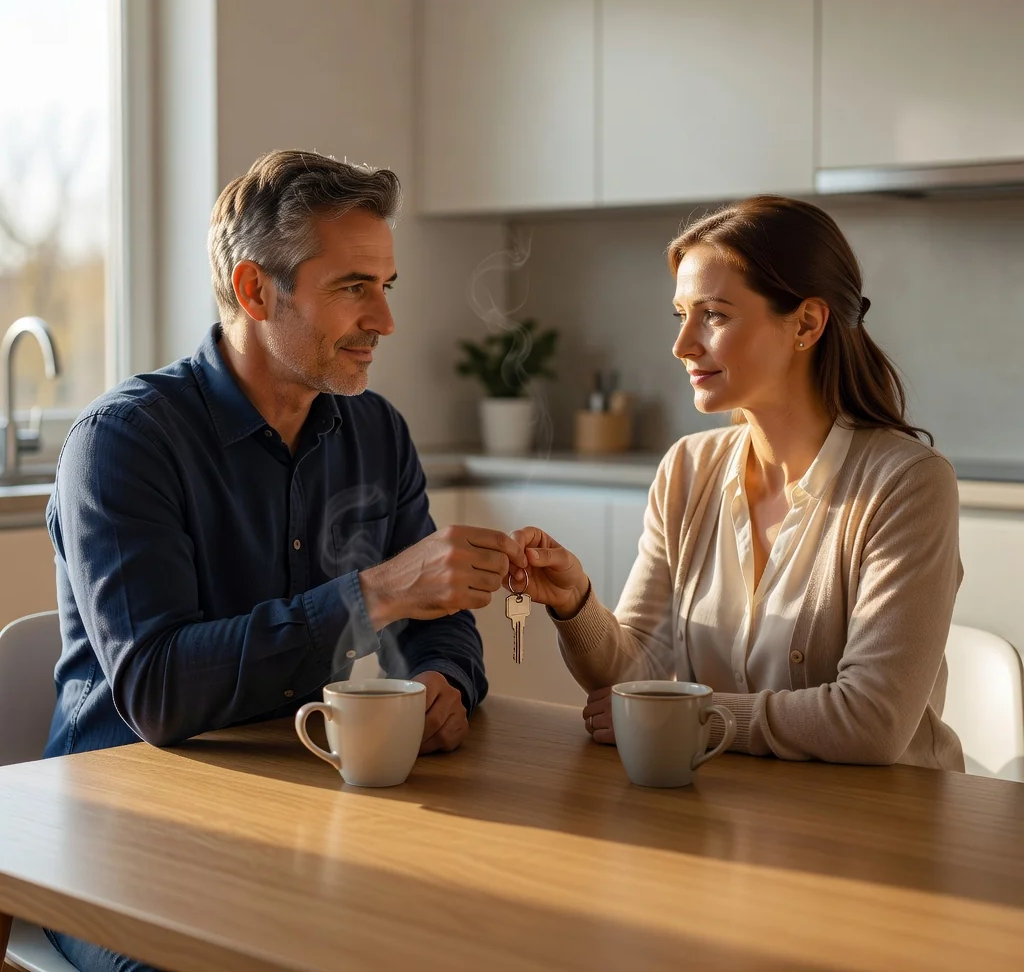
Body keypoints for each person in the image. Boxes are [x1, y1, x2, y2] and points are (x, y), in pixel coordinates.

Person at [43, 150, 525, 971]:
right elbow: (158, 692)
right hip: (129, 830)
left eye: (387, 286)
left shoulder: (377, 433)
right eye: (352, 288)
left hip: (313, 813)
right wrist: (376, 593)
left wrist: (446, 684)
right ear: (254, 289)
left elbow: (442, 626)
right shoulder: (126, 443)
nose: (385, 320)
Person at [512, 195, 964, 771]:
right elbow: (637, 676)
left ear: (806, 323)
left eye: (715, 315)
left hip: (891, 828)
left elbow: (871, 722)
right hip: (737, 815)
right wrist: (575, 604)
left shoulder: (908, 484)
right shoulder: (687, 470)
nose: (683, 346)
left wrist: (694, 716)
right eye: (681, 315)